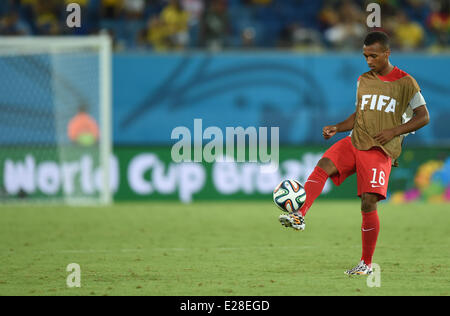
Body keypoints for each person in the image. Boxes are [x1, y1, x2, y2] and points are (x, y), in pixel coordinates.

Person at [279, 31, 430, 276]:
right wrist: (337, 127)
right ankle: (299, 214)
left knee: (368, 202)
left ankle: (366, 264)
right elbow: (360, 114)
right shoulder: (363, 80)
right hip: (355, 140)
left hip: (380, 148)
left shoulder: (406, 82)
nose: (369, 61)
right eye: (365, 56)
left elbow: (423, 116)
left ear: (387, 54)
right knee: (323, 165)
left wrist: (394, 131)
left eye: (374, 56)